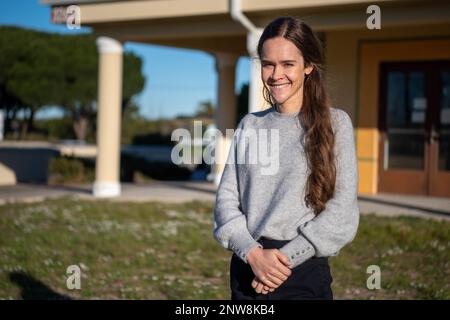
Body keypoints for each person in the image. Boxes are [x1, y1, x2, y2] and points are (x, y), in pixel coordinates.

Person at [213, 16, 360, 300]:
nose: (276, 74)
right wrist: (253, 255)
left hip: (303, 271)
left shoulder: (336, 124)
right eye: (268, 64)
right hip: (248, 268)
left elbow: (342, 212)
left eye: (288, 64)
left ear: (308, 66)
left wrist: (281, 262)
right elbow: (226, 203)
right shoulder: (250, 126)